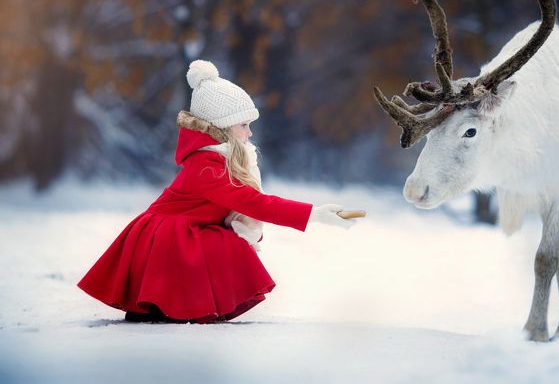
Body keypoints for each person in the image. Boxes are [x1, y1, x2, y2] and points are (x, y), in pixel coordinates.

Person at [78, 60, 355, 323]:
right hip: (165, 239)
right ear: (222, 126)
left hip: (180, 231)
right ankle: (168, 303)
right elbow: (254, 203)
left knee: (223, 241)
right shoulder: (206, 166)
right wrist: (315, 215)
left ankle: (174, 303)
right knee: (224, 245)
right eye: (243, 125)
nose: (249, 134)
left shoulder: (218, 159)